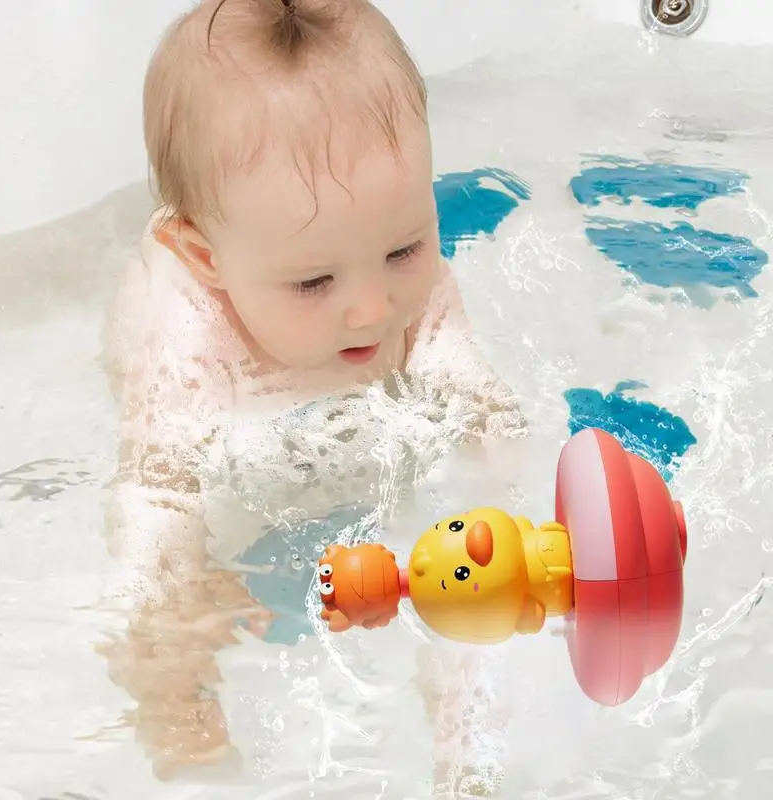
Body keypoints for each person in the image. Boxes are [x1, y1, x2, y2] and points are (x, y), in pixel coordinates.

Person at [99, 0, 525, 789]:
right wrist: (175, 591)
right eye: (314, 281)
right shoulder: (187, 331)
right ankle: (182, 741)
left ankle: (471, 758)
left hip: (327, 458)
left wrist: (498, 460)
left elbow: (479, 397)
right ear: (205, 256)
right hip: (232, 441)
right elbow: (156, 487)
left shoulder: (413, 289)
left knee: (477, 592)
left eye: (405, 246)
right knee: (161, 628)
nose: (372, 307)